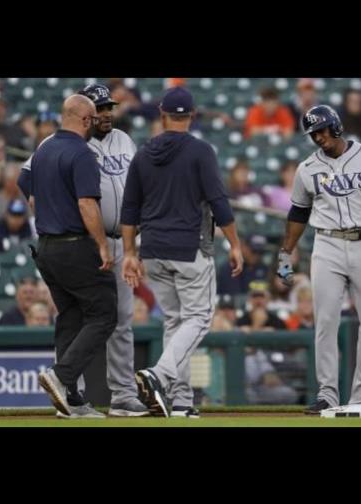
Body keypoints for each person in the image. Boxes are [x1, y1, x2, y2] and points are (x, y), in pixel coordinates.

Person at [276, 105, 361, 414]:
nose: (318, 137)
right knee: (326, 321)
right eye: (313, 134)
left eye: (322, 130)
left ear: (336, 126)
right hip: (327, 245)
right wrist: (285, 252)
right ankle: (328, 393)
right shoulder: (307, 168)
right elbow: (298, 213)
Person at [22, 84, 149, 418]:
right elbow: (27, 178)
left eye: (108, 108)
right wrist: (42, 202)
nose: (105, 114)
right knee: (99, 315)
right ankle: (66, 384)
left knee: (115, 319)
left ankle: (119, 396)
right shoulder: (69, 144)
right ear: (86, 115)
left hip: (118, 239)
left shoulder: (124, 140)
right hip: (86, 242)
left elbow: (139, 186)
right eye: (99, 109)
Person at [121, 87, 244, 418]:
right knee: (199, 319)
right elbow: (219, 202)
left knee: (175, 323)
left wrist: (129, 252)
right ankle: (159, 375)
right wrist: (235, 244)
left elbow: (129, 208)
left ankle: (181, 401)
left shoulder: (143, 153)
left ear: (162, 116)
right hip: (189, 248)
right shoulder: (201, 151)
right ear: (192, 116)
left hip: (152, 250)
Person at [16, 94, 116, 420]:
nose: (95, 124)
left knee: (71, 316)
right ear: (85, 120)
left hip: (46, 247)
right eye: (93, 119)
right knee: (104, 314)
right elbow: (87, 204)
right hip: (74, 245)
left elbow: (25, 183)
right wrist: (102, 244)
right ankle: (61, 376)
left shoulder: (44, 149)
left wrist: (46, 207)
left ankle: (71, 400)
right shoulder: (81, 153)